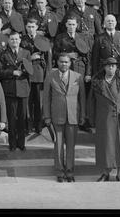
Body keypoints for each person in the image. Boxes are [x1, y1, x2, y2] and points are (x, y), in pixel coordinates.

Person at [87, 57, 120, 182]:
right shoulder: (97, 82)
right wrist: (91, 120)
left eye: (113, 66)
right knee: (105, 146)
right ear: (104, 67)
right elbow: (91, 102)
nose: (111, 68)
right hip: (103, 119)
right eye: (108, 65)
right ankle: (105, 173)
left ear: (116, 67)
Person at [43, 53, 86, 182]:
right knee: (58, 145)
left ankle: (70, 171)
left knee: (71, 146)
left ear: (70, 63)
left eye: (66, 62)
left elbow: (82, 98)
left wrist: (83, 115)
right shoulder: (51, 76)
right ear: (57, 62)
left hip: (73, 116)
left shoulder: (78, 77)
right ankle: (60, 172)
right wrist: (47, 117)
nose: (64, 64)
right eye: (61, 62)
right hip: (57, 116)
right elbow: (46, 98)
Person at [0, 32, 32, 151]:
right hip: (9, 90)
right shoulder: (3, 54)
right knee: (11, 118)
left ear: (20, 40)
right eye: (12, 39)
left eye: (16, 39)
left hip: (23, 89)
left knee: (22, 117)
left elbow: (30, 71)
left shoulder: (26, 53)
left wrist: (24, 71)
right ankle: (12, 144)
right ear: (8, 41)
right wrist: (12, 73)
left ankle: (21, 143)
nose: (14, 41)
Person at [21, 19, 51, 134]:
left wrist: (47, 74)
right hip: (26, 73)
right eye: (28, 26)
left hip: (39, 72)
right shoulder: (22, 40)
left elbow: (48, 58)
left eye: (33, 26)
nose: (31, 29)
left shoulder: (43, 40)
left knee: (38, 101)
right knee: (27, 101)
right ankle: (28, 126)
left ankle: (38, 126)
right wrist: (30, 58)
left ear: (37, 27)